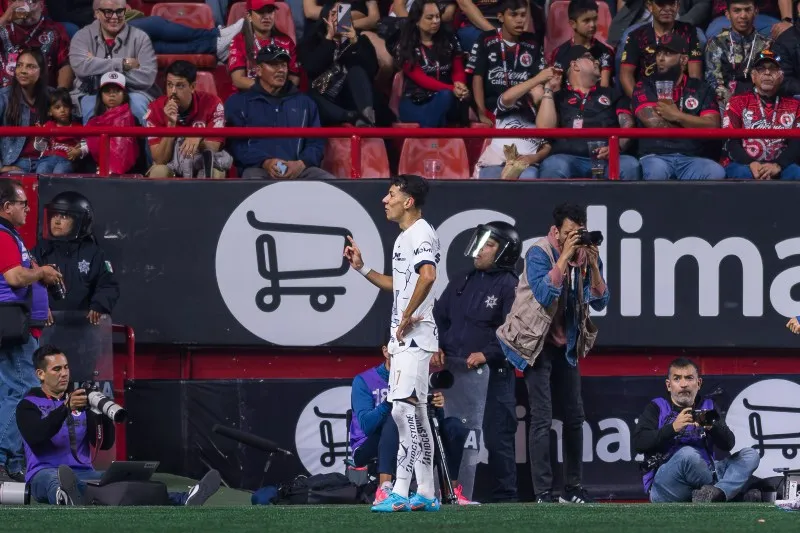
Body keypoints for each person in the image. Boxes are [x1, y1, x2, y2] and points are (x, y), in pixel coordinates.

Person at [496, 203, 609, 504]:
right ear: (556, 232)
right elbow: (546, 294)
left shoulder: (585, 257)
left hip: (565, 344)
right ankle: (543, 493)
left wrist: (594, 266)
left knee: (575, 417)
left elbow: (601, 300)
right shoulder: (538, 253)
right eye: (570, 234)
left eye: (579, 233)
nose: (575, 239)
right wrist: (565, 258)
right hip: (536, 343)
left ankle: (573, 490)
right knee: (542, 418)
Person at [17, 344, 222, 505]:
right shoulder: (28, 405)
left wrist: (102, 413)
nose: (64, 373)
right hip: (44, 473)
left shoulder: (80, 402)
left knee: (129, 483)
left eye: (66, 367)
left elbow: (105, 444)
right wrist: (65, 408)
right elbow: (37, 435)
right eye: (56, 369)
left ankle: (184, 499)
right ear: (40, 374)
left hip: (84, 473)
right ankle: (66, 496)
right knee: (54, 481)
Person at [343, 174, 441, 513]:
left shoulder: (421, 232)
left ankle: (399, 490)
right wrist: (362, 268)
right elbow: (398, 284)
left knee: (401, 410)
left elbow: (428, 276)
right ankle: (426, 493)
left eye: (391, 193)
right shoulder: (404, 238)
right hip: (406, 338)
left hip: (414, 338)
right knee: (417, 413)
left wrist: (407, 316)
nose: (385, 199)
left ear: (408, 201)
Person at [433, 221, 521, 503]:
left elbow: (515, 329)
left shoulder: (510, 286)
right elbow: (439, 317)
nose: (480, 251)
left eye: (489, 245)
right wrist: (437, 346)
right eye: (480, 243)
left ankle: (505, 497)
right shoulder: (461, 280)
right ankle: (448, 492)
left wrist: (488, 353)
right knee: (455, 433)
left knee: (498, 438)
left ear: (505, 252)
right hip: (455, 375)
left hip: (493, 374)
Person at [349, 345, 476, 506]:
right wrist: (391, 401)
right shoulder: (364, 381)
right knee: (397, 415)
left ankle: (451, 493)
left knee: (453, 427)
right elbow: (367, 426)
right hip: (369, 443)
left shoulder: (416, 377)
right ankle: (384, 489)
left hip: (411, 437)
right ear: (386, 351)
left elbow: (429, 423)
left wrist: (435, 407)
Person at [0, 178, 61, 482]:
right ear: (6, 207)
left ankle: (8, 459)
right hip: (14, 329)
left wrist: (41, 305)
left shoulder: (10, 235)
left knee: (9, 391)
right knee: (22, 392)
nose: (26, 207)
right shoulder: (2, 235)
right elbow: (13, 277)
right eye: (21, 202)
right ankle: (4, 457)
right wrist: (42, 272)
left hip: (22, 325)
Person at [633, 357, 760, 503]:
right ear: (669, 385)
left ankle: (718, 493)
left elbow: (728, 444)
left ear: (698, 383)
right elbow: (639, 443)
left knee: (750, 455)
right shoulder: (657, 407)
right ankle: (729, 494)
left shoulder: (707, 406)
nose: (684, 384)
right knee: (688, 454)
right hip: (668, 483)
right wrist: (673, 428)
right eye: (677, 379)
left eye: (689, 378)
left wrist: (714, 427)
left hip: (707, 474)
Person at [225, 44, 333, 179]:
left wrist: (302, 163)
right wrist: (265, 162)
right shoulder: (238, 102)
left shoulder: (306, 103)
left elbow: (316, 143)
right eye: (274, 65)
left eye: (283, 65)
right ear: (258, 70)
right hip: (258, 169)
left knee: (329, 182)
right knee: (251, 180)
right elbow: (236, 146)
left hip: (298, 170)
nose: (281, 70)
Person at [537, 45, 641, 180]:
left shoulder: (613, 94)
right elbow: (545, 129)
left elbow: (628, 125)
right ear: (575, 65)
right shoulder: (558, 97)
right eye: (590, 58)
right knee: (553, 166)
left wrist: (616, 147)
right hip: (567, 157)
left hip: (608, 157)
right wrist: (548, 88)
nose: (597, 61)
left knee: (630, 165)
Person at [632, 35, 726, 180]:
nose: (660, 59)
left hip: (691, 157)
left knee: (715, 172)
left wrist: (677, 115)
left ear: (683, 60)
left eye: (668, 53)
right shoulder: (645, 85)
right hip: (656, 155)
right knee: (656, 171)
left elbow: (712, 126)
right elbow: (655, 124)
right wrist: (694, 125)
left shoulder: (701, 88)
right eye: (658, 53)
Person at [32, 191, 119, 327]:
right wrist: (39, 305)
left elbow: (108, 285)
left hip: (84, 329)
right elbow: (27, 282)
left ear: (81, 221)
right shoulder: (40, 251)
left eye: (65, 216)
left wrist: (99, 306)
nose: (57, 221)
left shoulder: (94, 253)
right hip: (47, 327)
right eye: (54, 215)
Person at [70, 0, 157, 124]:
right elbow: (81, 68)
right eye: (108, 12)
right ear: (96, 13)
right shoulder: (81, 37)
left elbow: (147, 78)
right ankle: (89, 144)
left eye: (119, 11)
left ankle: (146, 144)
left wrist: (96, 65)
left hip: (132, 92)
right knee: (89, 106)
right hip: (91, 92)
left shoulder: (141, 38)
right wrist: (122, 64)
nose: (115, 17)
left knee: (138, 105)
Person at [299, 4, 382, 127]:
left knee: (356, 70)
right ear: (325, 18)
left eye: (342, 14)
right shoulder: (311, 41)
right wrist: (328, 39)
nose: (338, 18)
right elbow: (312, 68)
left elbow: (372, 70)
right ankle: (351, 117)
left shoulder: (359, 41)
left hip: (350, 97)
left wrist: (355, 43)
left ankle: (367, 116)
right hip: (324, 98)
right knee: (308, 97)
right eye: (333, 14)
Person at [145, 60, 231, 179]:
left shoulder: (213, 103)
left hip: (201, 162)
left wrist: (199, 137)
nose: (173, 92)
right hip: (172, 164)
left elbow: (214, 148)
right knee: (158, 172)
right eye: (170, 85)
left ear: (192, 87)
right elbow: (160, 160)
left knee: (214, 173)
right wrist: (170, 126)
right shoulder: (155, 108)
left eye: (180, 85)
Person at [466, 0, 546, 126]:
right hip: (494, 108)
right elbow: (477, 78)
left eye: (523, 15)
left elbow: (539, 80)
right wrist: (481, 113)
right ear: (500, 17)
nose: (520, 20)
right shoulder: (486, 39)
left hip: (523, 109)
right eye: (513, 15)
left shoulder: (532, 42)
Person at [722, 50, 800, 179]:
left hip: (781, 165)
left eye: (773, 69)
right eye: (761, 69)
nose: (767, 73)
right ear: (753, 76)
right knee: (740, 173)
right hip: (745, 164)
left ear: (781, 77)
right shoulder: (737, 102)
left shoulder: (795, 105)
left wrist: (778, 165)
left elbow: (797, 142)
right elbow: (730, 141)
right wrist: (751, 163)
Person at [394, 0, 469, 127]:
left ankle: (436, 129)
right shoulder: (405, 44)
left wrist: (460, 85)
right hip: (415, 101)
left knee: (461, 97)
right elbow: (421, 79)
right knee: (446, 98)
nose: (436, 21)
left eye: (437, 16)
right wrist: (451, 89)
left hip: (446, 98)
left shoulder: (449, 38)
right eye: (430, 17)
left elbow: (458, 69)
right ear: (417, 20)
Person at [619, 0, 703, 98]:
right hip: (645, 97)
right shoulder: (636, 36)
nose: (667, 9)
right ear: (650, 6)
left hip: (680, 97)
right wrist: (640, 103)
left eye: (671, 3)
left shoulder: (689, 32)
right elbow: (626, 75)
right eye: (661, 3)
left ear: (678, 6)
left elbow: (695, 76)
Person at [704, 0, 772, 111]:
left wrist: (750, 102)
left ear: (756, 11)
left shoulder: (767, 44)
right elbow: (712, 80)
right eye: (737, 10)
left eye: (747, 10)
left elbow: (768, 79)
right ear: (727, 14)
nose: (743, 15)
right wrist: (734, 102)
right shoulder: (716, 43)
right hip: (724, 104)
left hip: (758, 104)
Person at [228, 0, 300, 91]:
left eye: (270, 11)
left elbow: (294, 78)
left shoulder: (287, 41)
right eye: (260, 12)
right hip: (250, 96)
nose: (266, 17)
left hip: (280, 96)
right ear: (249, 16)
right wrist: (266, 88)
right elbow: (238, 79)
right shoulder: (239, 41)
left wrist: (277, 92)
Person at [0, 0, 72, 88]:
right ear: (10, 5)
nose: (25, 4)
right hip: (5, 92)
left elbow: (64, 64)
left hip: (42, 92)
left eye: (32, 1)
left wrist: (61, 94)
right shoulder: (2, 26)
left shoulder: (55, 30)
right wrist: (5, 18)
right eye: (18, 1)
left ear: (42, 6)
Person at [0, 48, 51, 174]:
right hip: (15, 163)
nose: (22, 71)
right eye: (19, 65)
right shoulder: (3, 97)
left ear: (42, 71)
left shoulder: (53, 96)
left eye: (30, 66)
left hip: (47, 161)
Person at [549, 0, 614, 88]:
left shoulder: (605, 51)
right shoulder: (559, 53)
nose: (592, 25)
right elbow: (556, 89)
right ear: (573, 24)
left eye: (595, 19)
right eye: (586, 21)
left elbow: (604, 89)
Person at [85, 72, 140, 175]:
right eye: (107, 91)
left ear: (124, 94)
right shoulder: (93, 121)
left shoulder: (134, 120)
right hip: (97, 170)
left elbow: (136, 154)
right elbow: (89, 152)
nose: (112, 95)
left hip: (127, 174)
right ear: (100, 95)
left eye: (117, 91)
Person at [36, 88, 87, 174]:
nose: (62, 110)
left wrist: (79, 151)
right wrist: (39, 137)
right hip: (47, 158)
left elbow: (86, 144)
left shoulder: (77, 127)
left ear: (71, 109)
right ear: (50, 112)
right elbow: (40, 148)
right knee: (41, 170)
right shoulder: (48, 125)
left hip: (66, 160)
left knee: (59, 172)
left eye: (66, 106)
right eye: (57, 107)